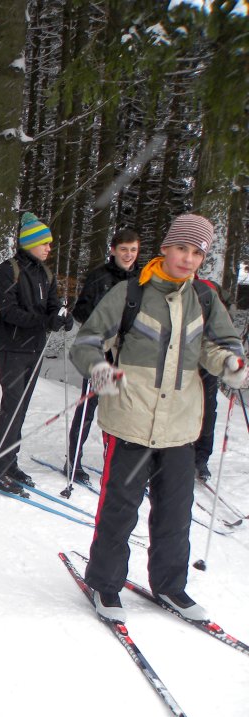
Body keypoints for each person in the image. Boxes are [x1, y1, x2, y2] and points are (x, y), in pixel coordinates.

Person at [70, 213, 249, 623]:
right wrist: (100, 370)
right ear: (165, 248)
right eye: (182, 248)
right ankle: (105, 583)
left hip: (180, 427)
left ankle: (170, 585)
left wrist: (230, 364)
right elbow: (87, 343)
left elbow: (219, 347)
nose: (188, 258)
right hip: (131, 421)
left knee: (175, 514)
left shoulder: (205, 299)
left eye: (197, 253)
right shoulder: (130, 293)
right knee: (120, 510)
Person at [0, 211, 72, 494]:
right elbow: (9, 311)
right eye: (44, 243)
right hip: (11, 347)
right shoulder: (8, 270)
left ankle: (10, 463)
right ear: (30, 243)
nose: (48, 248)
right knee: (11, 408)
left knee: (20, 408)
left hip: (35, 347)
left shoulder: (45, 273)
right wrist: (45, 321)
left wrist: (62, 317)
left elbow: (53, 306)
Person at [66, 229, 140, 484]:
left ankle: (118, 462)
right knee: (89, 406)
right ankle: (73, 461)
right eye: (124, 250)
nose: (128, 255)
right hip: (101, 353)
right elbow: (81, 311)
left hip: (129, 355)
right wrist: (102, 327)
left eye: (133, 250)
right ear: (113, 250)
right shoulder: (100, 277)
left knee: (126, 409)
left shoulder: (142, 279)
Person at [191, 276, 230, 482]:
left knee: (207, 410)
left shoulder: (209, 292)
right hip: (183, 361)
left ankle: (201, 458)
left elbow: (223, 329)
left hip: (208, 362)